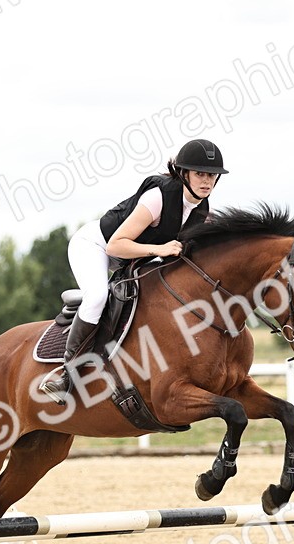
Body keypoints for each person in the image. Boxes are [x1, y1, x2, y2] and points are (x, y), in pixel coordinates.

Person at [39, 138, 229, 403]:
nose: (207, 181)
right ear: (184, 174)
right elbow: (116, 246)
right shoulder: (157, 197)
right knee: (97, 297)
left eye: (212, 175)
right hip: (95, 245)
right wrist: (159, 249)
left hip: (131, 259)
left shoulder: (202, 211)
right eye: (200, 174)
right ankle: (66, 376)